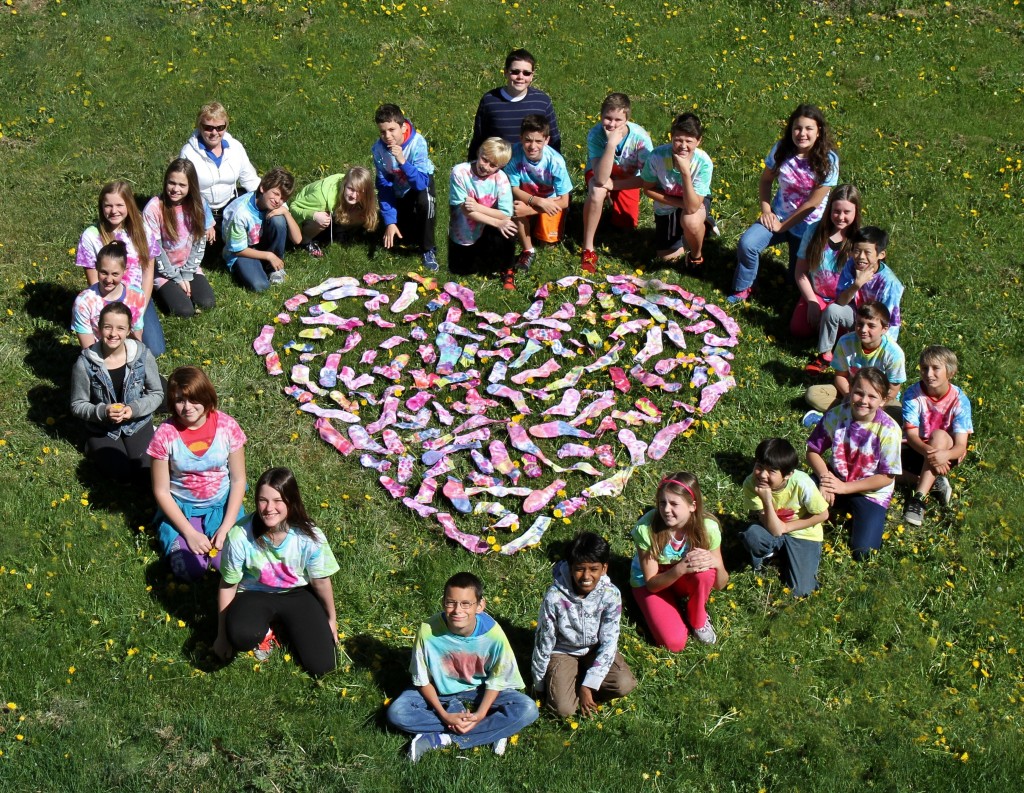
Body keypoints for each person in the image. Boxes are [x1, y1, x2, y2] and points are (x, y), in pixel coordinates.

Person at [386, 572, 539, 762]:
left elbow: (498, 680)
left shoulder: (493, 634)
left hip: (480, 689)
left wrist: (481, 712)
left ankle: (441, 738)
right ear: (443, 602)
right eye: (451, 603)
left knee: (528, 709)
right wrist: (444, 716)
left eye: (466, 604)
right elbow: (422, 680)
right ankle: (493, 729)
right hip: (438, 689)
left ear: (480, 606)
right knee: (397, 712)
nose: (458, 610)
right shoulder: (427, 631)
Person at [213, 467, 340, 677]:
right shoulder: (239, 535)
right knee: (241, 636)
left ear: (291, 500)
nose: (268, 508)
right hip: (253, 594)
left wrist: (331, 619)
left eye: (277, 500)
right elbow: (228, 585)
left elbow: (321, 582)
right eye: (263, 500)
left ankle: (289, 627)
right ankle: (265, 631)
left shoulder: (310, 537)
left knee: (323, 667)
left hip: (297, 594)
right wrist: (222, 636)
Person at [730, 104, 839, 303]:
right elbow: (765, 180)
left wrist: (784, 226)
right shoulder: (781, 150)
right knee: (747, 244)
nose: (802, 134)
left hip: (809, 226)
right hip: (778, 215)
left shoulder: (828, 161)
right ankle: (743, 288)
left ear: (819, 131)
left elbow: (812, 204)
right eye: (797, 128)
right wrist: (766, 210)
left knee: (795, 282)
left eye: (809, 129)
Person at [147, 366, 247, 581]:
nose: (187, 407)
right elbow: (161, 490)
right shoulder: (165, 435)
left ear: (207, 396)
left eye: (194, 399)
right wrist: (189, 533)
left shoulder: (227, 426)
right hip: (182, 509)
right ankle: (179, 537)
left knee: (232, 564)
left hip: (222, 504)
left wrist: (226, 526)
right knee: (189, 570)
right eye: (180, 400)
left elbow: (238, 480)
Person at [531, 532, 636, 717]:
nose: (586, 576)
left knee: (624, 684)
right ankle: (570, 682)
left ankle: (583, 683)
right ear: (571, 567)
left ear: (604, 568)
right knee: (564, 710)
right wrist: (538, 683)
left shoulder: (611, 594)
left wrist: (588, 685)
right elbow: (544, 640)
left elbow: (610, 641)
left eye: (593, 569)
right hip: (563, 651)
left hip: (594, 649)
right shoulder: (554, 597)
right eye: (579, 569)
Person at [806, 367, 902, 561]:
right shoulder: (837, 415)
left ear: (883, 400)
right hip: (834, 477)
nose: (863, 401)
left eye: (872, 396)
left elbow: (886, 477)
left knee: (864, 553)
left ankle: (850, 513)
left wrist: (845, 488)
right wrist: (826, 479)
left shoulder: (889, 430)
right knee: (795, 501)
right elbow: (812, 451)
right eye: (858, 392)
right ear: (850, 390)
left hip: (870, 492)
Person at [629, 472, 729, 652]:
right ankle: (665, 610)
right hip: (650, 582)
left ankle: (697, 619)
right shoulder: (646, 529)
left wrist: (716, 563)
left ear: (692, 506)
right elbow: (651, 584)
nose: (666, 509)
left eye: (674, 503)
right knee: (673, 644)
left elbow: (720, 584)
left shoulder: (708, 529)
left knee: (705, 571)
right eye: (662, 502)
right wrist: (680, 569)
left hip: (681, 578)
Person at [70, 302, 163, 484]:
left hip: (136, 422)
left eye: (121, 328)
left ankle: (147, 434)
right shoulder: (85, 363)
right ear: (98, 328)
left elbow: (157, 393)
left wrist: (134, 409)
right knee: (119, 474)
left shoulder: (142, 355)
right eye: (107, 327)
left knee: (146, 472)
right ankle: (92, 444)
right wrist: (103, 411)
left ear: (129, 330)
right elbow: (77, 404)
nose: (113, 334)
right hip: (103, 427)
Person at [75, 180, 165, 356]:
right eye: (108, 205)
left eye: (119, 205)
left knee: (154, 350)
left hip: (137, 299)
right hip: (106, 301)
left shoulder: (143, 231)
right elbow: (94, 281)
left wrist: (140, 308)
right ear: (101, 207)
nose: (113, 211)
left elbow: (148, 274)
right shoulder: (91, 237)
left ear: (129, 205)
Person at [739, 438, 830, 597]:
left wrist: (787, 527)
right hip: (771, 528)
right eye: (759, 466)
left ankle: (788, 557)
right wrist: (767, 500)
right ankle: (772, 554)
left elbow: (823, 514)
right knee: (752, 535)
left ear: (788, 475)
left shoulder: (802, 483)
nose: (762, 475)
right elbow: (774, 530)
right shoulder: (751, 483)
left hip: (804, 533)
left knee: (801, 591)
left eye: (772, 471)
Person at [806, 226, 904, 374]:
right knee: (832, 310)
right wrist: (857, 284)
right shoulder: (851, 265)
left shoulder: (890, 283)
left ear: (881, 254)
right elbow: (840, 302)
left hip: (875, 327)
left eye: (867, 252)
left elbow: (889, 322)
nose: (861, 257)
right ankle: (825, 355)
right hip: (855, 316)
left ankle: (867, 360)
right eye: (857, 251)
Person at [579, 93, 653, 273]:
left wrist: (616, 186)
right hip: (600, 173)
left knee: (626, 226)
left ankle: (614, 201)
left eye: (618, 120)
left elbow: (647, 179)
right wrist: (611, 145)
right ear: (601, 116)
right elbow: (601, 178)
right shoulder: (596, 134)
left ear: (627, 119)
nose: (611, 124)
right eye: (607, 118)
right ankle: (588, 246)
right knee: (597, 191)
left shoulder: (641, 139)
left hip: (628, 178)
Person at [900, 346, 973, 527]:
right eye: (924, 368)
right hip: (918, 448)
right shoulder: (912, 394)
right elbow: (911, 436)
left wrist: (944, 455)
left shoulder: (960, 400)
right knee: (880, 469)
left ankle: (919, 499)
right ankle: (933, 482)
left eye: (935, 368)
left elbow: (960, 445)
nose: (929, 374)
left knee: (939, 435)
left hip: (946, 454)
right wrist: (931, 455)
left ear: (951, 372)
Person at [142, 158, 217, 317]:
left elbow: (199, 243)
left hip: (189, 265)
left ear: (191, 186)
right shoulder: (154, 208)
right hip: (164, 270)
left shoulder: (199, 204)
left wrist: (188, 273)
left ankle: (182, 285)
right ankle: (160, 289)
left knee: (207, 303)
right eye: (171, 183)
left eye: (182, 185)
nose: (175, 189)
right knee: (185, 311)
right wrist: (176, 278)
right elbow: (157, 251)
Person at [805, 301, 906, 415]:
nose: (863, 330)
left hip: (879, 399)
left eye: (871, 326)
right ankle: (858, 415)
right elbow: (840, 376)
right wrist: (850, 397)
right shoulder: (845, 342)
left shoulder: (894, 353)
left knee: (898, 412)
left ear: (885, 328)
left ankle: (842, 414)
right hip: (852, 391)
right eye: (859, 324)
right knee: (812, 394)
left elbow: (893, 389)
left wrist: (876, 404)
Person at [505, 114, 573, 282]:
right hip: (527, 196)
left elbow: (564, 201)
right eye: (528, 140)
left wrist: (534, 206)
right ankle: (528, 250)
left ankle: (541, 230)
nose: (532, 146)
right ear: (520, 138)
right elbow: (513, 188)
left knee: (547, 244)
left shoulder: (556, 161)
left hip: (552, 200)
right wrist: (536, 202)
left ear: (547, 140)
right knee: (516, 210)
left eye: (538, 141)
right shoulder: (514, 154)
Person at [371, 103, 438, 271]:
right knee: (404, 237)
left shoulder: (417, 143)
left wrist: (402, 161)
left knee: (426, 202)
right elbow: (384, 186)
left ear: (402, 127)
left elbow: (421, 183)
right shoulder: (378, 150)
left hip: (419, 183)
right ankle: (399, 222)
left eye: (392, 130)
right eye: (382, 131)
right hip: (398, 189)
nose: (387, 136)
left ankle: (428, 249)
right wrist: (390, 221)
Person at [640, 112, 713, 267]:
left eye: (689, 141)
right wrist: (680, 204)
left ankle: (696, 256)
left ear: (699, 141)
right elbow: (647, 189)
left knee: (691, 220)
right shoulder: (657, 156)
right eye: (678, 140)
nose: (683, 146)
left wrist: (686, 172)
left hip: (695, 202)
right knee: (667, 258)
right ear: (671, 137)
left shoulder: (704, 162)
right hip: (667, 202)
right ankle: (693, 233)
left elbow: (693, 207)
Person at [179, 101, 260, 239]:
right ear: (199, 126)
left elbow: (251, 180)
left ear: (226, 126)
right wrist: (206, 219)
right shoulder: (188, 153)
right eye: (208, 128)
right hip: (201, 210)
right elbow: (185, 191)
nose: (214, 133)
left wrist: (276, 201)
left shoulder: (235, 148)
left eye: (220, 127)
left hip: (230, 207)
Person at [790, 184, 861, 339]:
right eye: (836, 211)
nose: (841, 217)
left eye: (847, 212)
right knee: (799, 330)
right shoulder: (814, 232)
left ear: (856, 212)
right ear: (829, 209)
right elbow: (800, 272)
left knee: (838, 335)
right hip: (817, 295)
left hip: (843, 302)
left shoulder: (859, 240)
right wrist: (812, 302)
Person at [467, 48, 561, 161]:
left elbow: (553, 141)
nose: (520, 77)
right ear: (506, 72)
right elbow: (479, 139)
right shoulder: (490, 100)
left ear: (532, 76)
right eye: (515, 72)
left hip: (532, 171)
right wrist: (472, 168)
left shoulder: (542, 102)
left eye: (526, 73)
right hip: (497, 169)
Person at [221, 167, 302, 292]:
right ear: (262, 188)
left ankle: (273, 269)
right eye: (275, 194)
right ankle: (268, 262)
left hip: (260, 243)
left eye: (283, 199)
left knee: (279, 219)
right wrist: (269, 255)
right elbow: (237, 250)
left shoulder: (277, 204)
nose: (278, 201)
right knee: (260, 286)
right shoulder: (240, 213)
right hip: (242, 251)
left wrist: (286, 213)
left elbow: (297, 239)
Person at [447, 137, 517, 283]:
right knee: (462, 270)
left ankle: (507, 267)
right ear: (479, 152)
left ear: (500, 166)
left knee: (510, 228)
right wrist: (497, 222)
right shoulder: (460, 172)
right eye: (484, 159)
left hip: (486, 227)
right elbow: (466, 211)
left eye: (493, 165)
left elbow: (506, 214)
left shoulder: (501, 178)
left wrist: (479, 207)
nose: (486, 167)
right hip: (463, 230)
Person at [288, 165, 379, 257]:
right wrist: (314, 215)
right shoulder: (320, 198)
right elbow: (293, 207)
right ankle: (306, 240)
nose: (354, 195)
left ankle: (341, 232)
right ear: (344, 184)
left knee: (362, 213)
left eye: (359, 191)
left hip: (333, 209)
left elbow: (369, 211)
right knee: (323, 219)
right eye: (351, 189)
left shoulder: (353, 184)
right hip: (308, 215)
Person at [71, 241, 147, 349]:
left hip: (126, 350)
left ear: (125, 271)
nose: (108, 280)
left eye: (115, 274)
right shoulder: (84, 302)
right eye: (104, 272)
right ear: (96, 267)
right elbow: (88, 349)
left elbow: (136, 334)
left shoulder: (137, 296)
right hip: (98, 353)